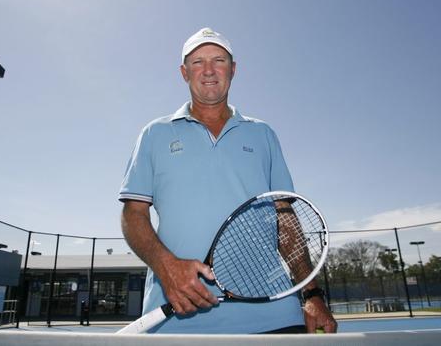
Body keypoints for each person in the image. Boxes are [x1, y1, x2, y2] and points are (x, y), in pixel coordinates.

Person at [119, 27, 337, 334]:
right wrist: (166, 266)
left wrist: (312, 294)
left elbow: (286, 219)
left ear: (232, 69)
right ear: (184, 72)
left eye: (218, 60)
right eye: (197, 62)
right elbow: (133, 214)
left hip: (274, 317)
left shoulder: (263, 133)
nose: (208, 70)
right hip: (175, 322)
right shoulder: (154, 134)